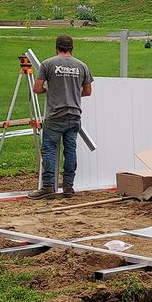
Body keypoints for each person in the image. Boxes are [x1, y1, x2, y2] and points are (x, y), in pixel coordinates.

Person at [29, 34, 93, 198]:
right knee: (70, 150)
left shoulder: (48, 64)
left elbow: (36, 89)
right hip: (74, 115)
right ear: (72, 48)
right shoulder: (81, 66)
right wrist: (72, 93)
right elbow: (87, 91)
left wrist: (48, 91)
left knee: (49, 149)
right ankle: (68, 187)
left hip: (55, 114)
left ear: (56, 47)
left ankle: (48, 186)